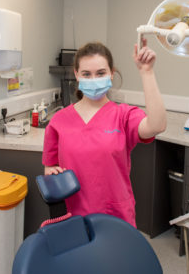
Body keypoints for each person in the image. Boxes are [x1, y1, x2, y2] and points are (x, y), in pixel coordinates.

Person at [42, 39, 166, 227]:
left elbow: (157, 125)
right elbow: (50, 170)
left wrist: (146, 72)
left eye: (100, 73)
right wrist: (51, 173)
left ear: (111, 74)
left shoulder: (123, 115)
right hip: (73, 217)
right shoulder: (59, 121)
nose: (93, 79)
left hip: (115, 215)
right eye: (86, 74)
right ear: (77, 75)